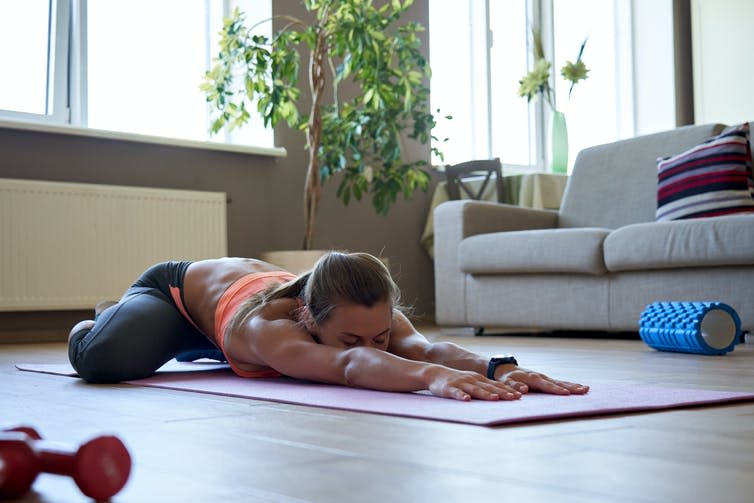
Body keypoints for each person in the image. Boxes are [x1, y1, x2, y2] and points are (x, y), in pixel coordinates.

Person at [68, 251, 588, 401]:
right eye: (351, 336)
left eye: (380, 335)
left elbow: (425, 349)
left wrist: (498, 366)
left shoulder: (367, 314)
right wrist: (430, 381)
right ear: (307, 315)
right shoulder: (268, 328)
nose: (373, 345)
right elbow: (351, 366)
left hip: (224, 321)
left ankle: (198, 347)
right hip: (177, 296)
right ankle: (109, 318)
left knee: (395, 340)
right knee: (104, 363)